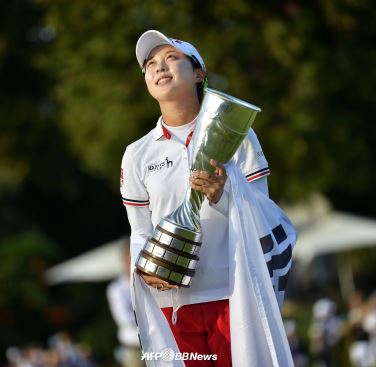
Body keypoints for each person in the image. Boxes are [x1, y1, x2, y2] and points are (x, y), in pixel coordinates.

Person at [120, 30, 296, 366]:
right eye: (151, 64)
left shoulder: (239, 135)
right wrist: (144, 269)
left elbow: (266, 217)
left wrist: (225, 195)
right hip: (171, 307)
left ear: (199, 73)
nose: (159, 68)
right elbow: (139, 230)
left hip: (233, 297)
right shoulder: (136, 154)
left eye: (172, 58)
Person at [106, 244, 143, 367]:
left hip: (154, 343)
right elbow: (125, 319)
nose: (132, 262)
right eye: (129, 258)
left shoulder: (144, 282)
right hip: (134, 346)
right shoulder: (116, 289)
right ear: (123, 261)